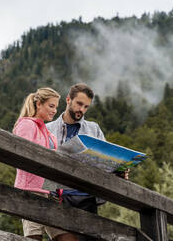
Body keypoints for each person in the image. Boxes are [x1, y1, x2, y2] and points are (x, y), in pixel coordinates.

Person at [45, 83, 129, 240]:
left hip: (87, 198)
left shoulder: (94, 129)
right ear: (68, 99)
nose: (81, 110)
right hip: (58, 197)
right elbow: (42, 164)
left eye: (86, 107)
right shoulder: (48, 130)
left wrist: (118, 171)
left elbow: (105, 162)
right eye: (79, 104)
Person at [13, 88, 78, 241]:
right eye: (51, 106)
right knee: (34, 237)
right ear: (39, 104)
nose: (55, 111)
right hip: (30, 191)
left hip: (51, 192)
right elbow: (21, 154)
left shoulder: (50, 135)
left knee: (66, 237)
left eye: (56, 107)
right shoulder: (27, 125)